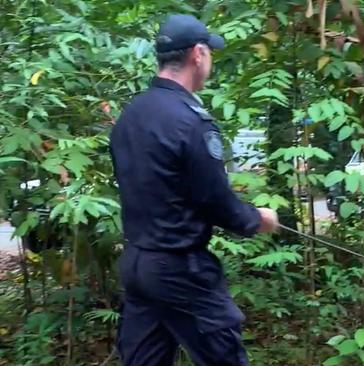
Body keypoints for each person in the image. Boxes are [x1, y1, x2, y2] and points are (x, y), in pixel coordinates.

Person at [109, 14, 279, 366]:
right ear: (198, 54)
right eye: (209, 54)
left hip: (138, 265)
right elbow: (216, 202)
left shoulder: (132, 114)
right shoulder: (190, 121)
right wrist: (258, 219)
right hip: (180, 269)